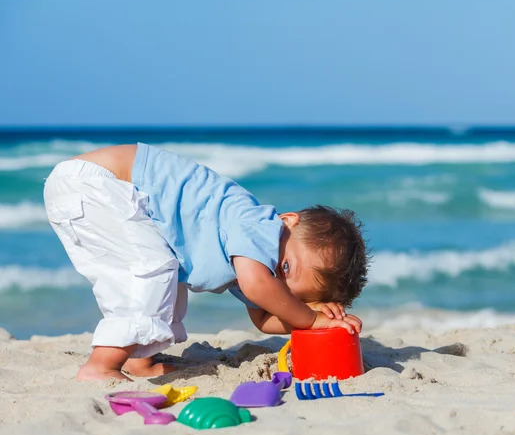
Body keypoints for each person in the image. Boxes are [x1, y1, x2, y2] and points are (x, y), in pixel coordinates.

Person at [43, 143, 370, 381]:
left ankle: (137, 360)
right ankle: (100, 365)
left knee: (164, 283)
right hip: (97, 182)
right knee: (151, 271)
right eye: (285, 268)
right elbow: (259, 287)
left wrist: (312, 316)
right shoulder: (257, 224)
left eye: (289, 292)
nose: (275, 283)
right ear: (288, 221)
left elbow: (263, 319)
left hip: (102, 191)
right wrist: (311, 321)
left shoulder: (258, 267)